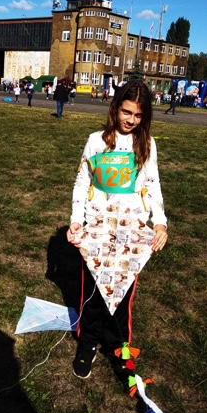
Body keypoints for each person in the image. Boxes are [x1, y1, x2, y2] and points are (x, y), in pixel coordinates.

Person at [66, 80, 168, 379]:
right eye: (126, 112)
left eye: (138, 115)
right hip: (97, 228)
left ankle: (118, 345)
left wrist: (160, 221)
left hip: (131, 232)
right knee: (93, 293)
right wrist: (77, 219)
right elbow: (82, 182)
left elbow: (153, 185)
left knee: (122, 294)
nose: (131, 120)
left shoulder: (146, 144)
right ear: (115, 108)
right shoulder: (96, 141)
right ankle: (88, 343)